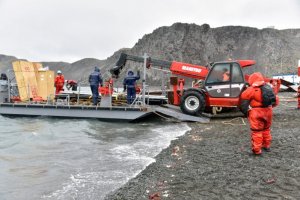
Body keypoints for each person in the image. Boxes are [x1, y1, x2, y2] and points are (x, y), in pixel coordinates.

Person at [241, 72, 279, 155]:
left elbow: (243, 96)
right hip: (268, 111)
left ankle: (257, 150)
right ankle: (267, 145)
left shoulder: (253, 89)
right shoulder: (268, 87)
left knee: (257, 131)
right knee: (266, 129)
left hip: (257, 112)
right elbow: (276, 101)